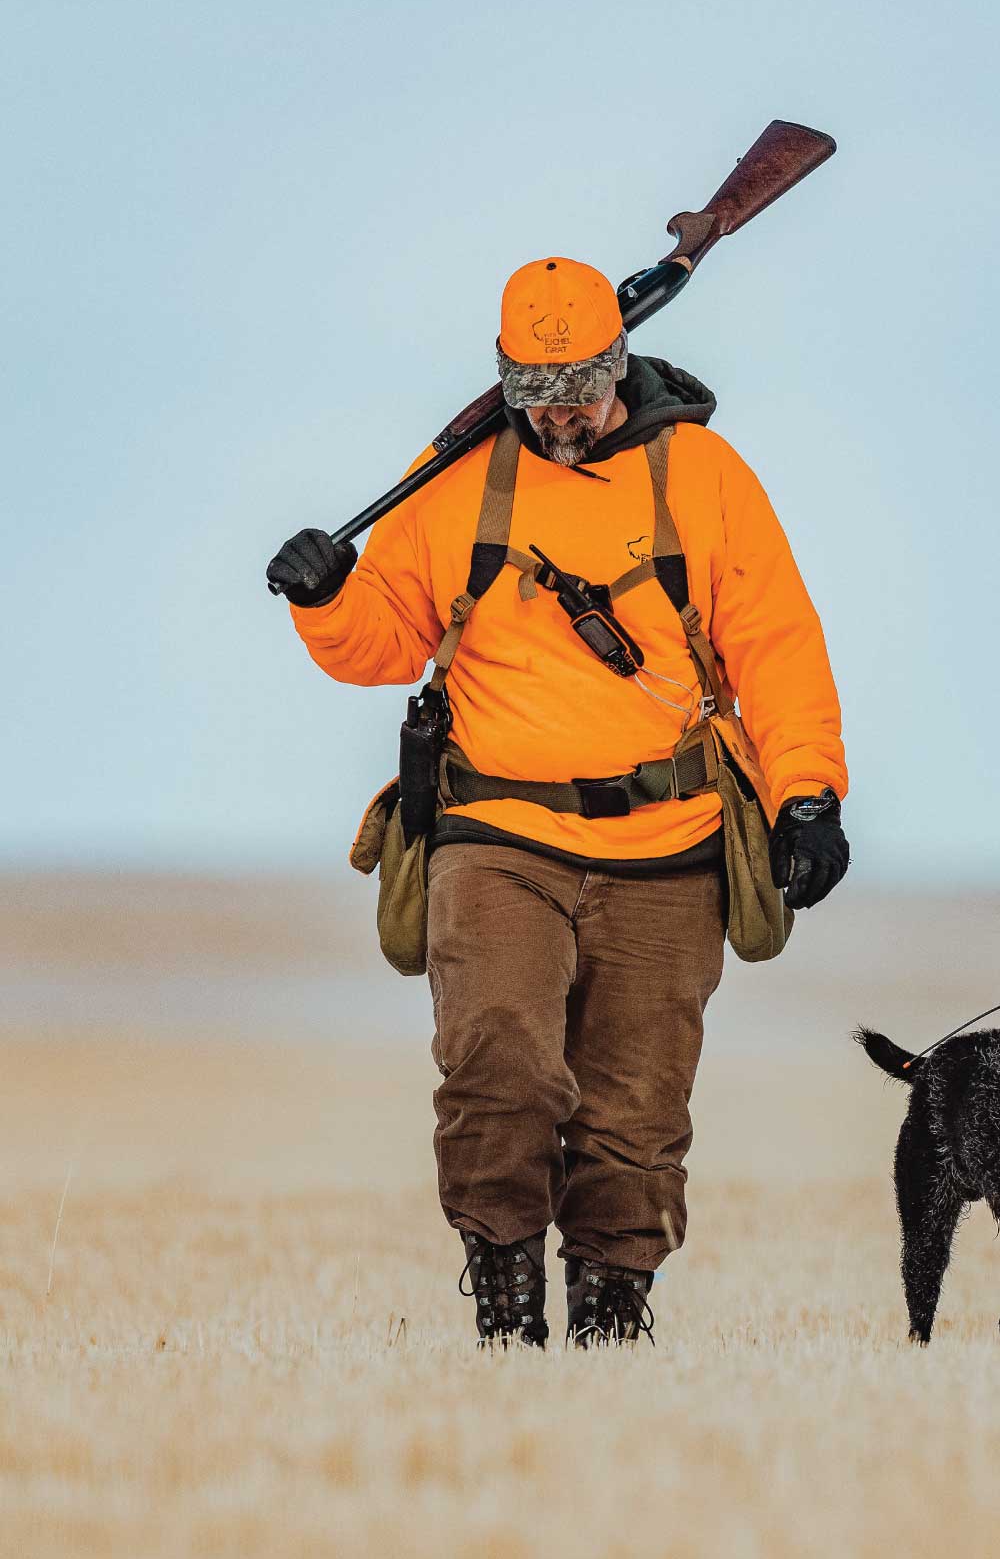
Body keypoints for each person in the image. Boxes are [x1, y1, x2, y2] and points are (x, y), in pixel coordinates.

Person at [267, 256, 849, 1346]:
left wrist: (807, 794)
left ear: (618, 362)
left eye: (579, 386)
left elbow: (776, 650)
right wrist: (326, 597)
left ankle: (611, 1325)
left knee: (637, 1108)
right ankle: (503, 1303)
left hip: (668, 844)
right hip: (497, 834)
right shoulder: (452, 478)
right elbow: (383, 643)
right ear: (504, 377)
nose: (562, 414)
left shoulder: (705, 475)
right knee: (498, 1061)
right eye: (535, 392)